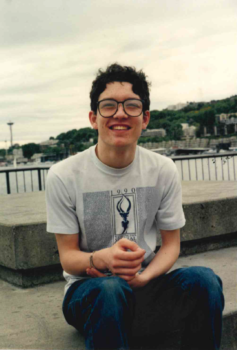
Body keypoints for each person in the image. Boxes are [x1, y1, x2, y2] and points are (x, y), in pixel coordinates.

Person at [46, 63, 224, 350]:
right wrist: (102, 259)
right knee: (110, 288)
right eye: (108, 106)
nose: (119, 113)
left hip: (145, 284)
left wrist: (144, 277)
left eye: (131, 105)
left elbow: (171, 246)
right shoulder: (64, 175)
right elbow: (68, 258)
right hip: (88, 291)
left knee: (204, 281)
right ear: (94, 118)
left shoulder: (163, 169)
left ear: (145, 118)